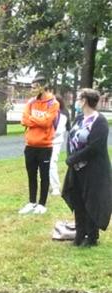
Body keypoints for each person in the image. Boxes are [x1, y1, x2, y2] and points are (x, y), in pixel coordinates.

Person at [62, 88, 112, 247]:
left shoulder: (100, 122)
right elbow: (71, 138)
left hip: (94, 169)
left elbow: (95, 147)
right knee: (78, 200)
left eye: (78, 98)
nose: (76, 101)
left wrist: (74, 158)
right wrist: (71, 157)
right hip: (76, 168)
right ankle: (79, 233)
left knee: (91, 201)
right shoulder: (78, 118)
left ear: (84, 101)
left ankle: (91, 236)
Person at [19, 73, 59, 215]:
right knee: (31, 174)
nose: (32, 90)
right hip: (30, 146)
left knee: (44, 175)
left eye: (34, 87)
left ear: (42, 87)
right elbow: (24, 120)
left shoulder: (53, 103)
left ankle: (42, 204)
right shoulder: (30, 103)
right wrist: (37, 121)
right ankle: (31, 202)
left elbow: (48, 122)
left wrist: (33, 119)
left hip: (45, 147)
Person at [49, 95, 71, 196]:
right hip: (47, 141)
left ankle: (55, 187)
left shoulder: (62, 115)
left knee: (52, 164)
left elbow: (61, 130)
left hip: (55, 142)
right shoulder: (52, 113)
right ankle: (49, 185)